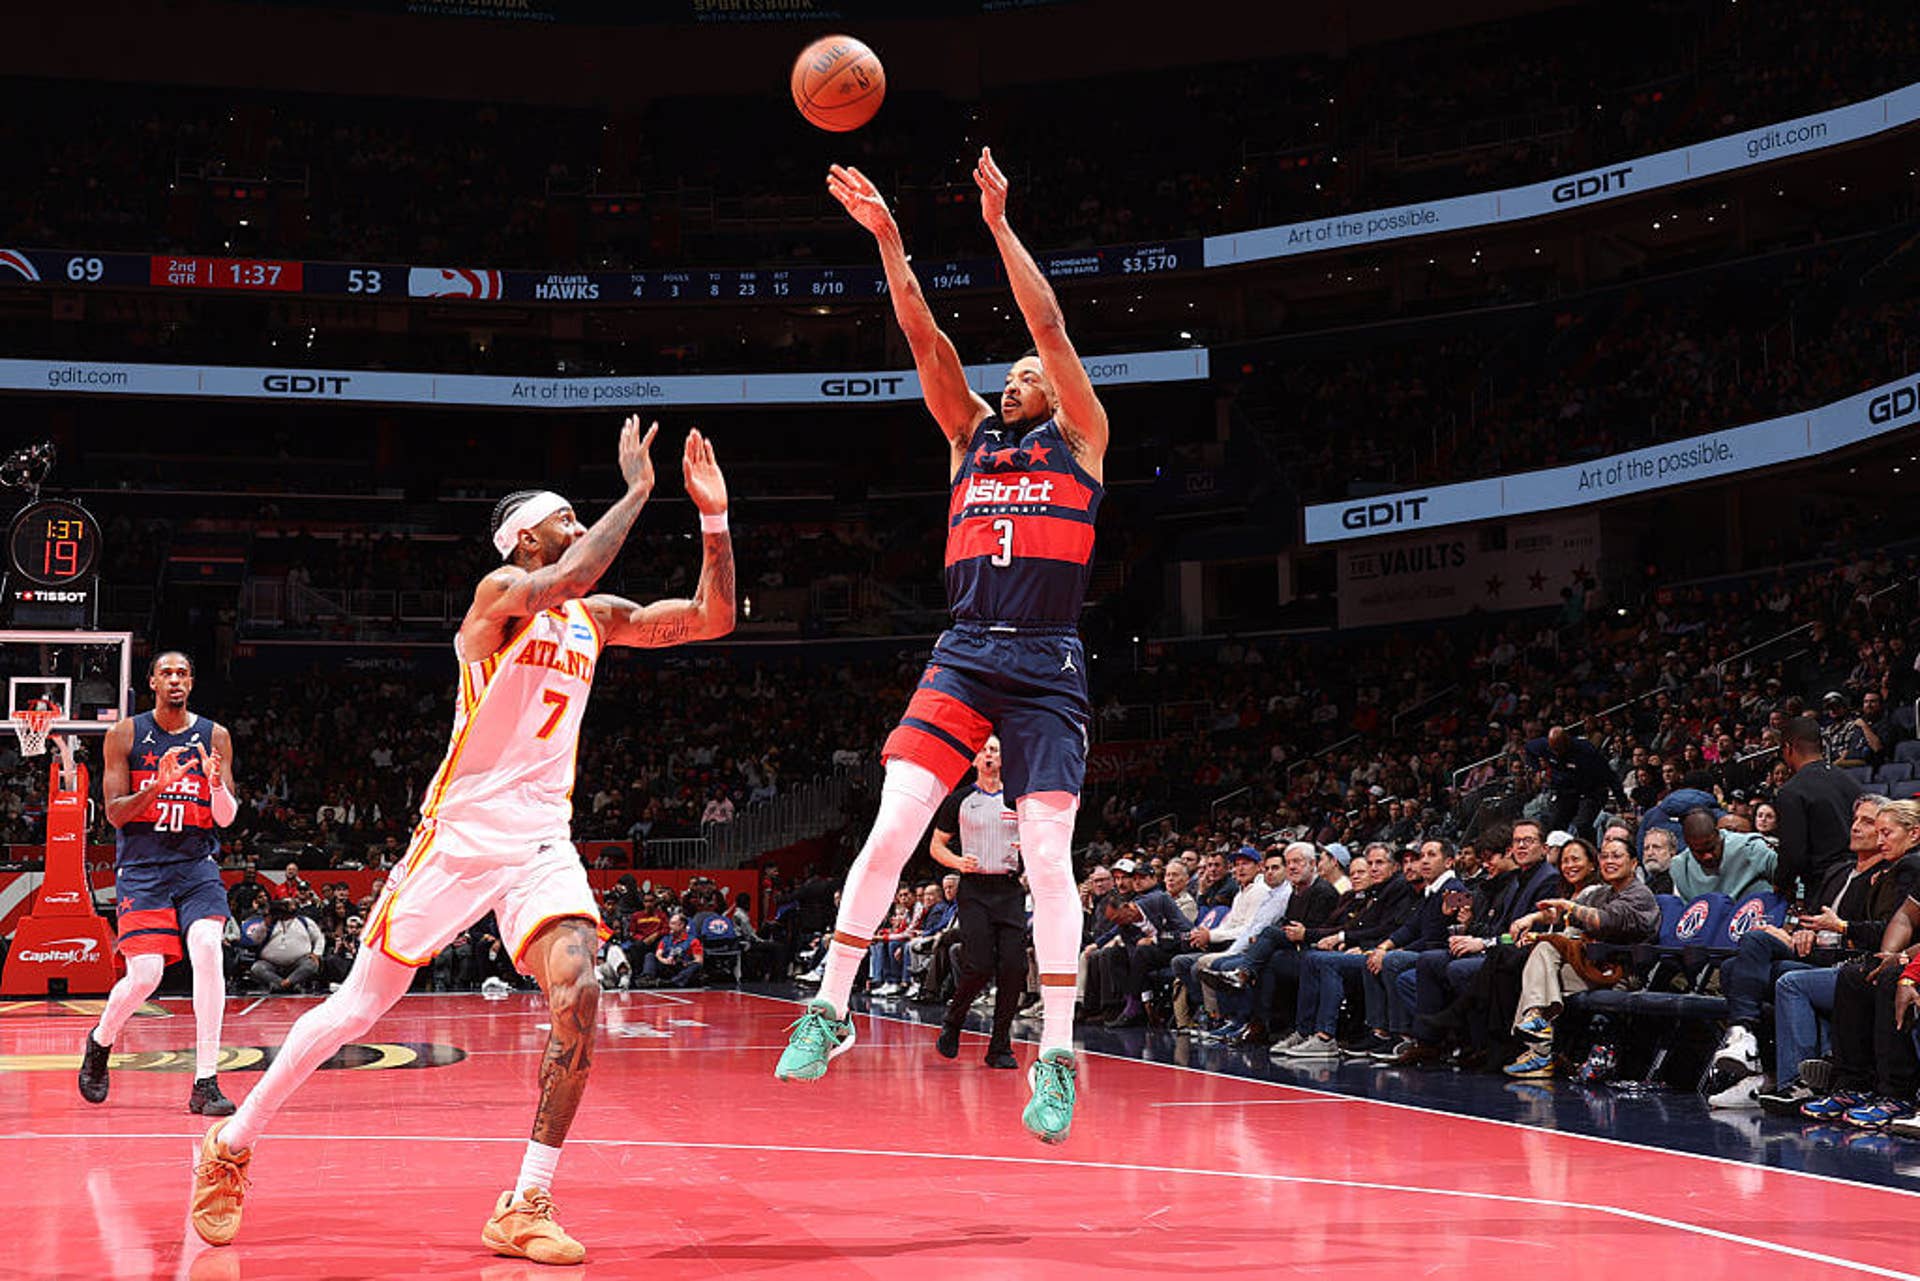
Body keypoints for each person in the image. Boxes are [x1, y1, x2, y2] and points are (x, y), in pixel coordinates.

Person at [189, 417, 735, 1263]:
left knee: (581, 995)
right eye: (565, 519)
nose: (578, 527)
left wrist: (713, 519)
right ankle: (231, 1145)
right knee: (357, 1009)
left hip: (541, 841)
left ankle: (526, 1199)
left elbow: (711, 618)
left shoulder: (595, 618)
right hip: (459, 834)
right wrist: (636, 491)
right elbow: (576, 568)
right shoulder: (498, 601)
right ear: (527, 536)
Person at [775, 149, 1110, 1146]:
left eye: (1027, 372)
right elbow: (923, 337)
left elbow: (1047, 324)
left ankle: (1054, 1054)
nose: (1015, 378)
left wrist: (1001, 226)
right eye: (1005, 374)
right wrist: (888, 239)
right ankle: (830, 1006)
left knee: (1049, 859)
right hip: (965, 651)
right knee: (891, 825)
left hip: (1047, 661)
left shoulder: (1084, 437)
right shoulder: (968, 440)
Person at [79, 650, 242, 1118]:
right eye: (166, 672)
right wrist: (157, 785)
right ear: (151, 681)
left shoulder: (215, 736)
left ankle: (205, 1082)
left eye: (183, 673)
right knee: (146, 975)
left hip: (195, 865)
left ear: (191, 682)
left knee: (209, 947)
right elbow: (113, 813)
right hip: (143, 869)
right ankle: (100, 1039)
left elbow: (226, 819)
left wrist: (213, 785)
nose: (175, 680)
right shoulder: (125, 734)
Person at [1503, 838, 1660, 1077]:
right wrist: (1531, 919)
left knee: (1542, 968)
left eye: (1616, 856)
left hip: (1620, 973)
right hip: (1593, 968)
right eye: (1605, 856)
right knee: (1542, 958)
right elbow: (1562, 914)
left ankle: (1539, 1051)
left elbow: (1605, 920)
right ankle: (1536, 1024)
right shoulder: (1603, 892)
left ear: (1634, 863)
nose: (1609, 861)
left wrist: (1567, 906)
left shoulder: (1640, 895)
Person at [927, 739, 1031, 1067]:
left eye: (995, 750)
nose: (988, 755)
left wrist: (1027, 848)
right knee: (979, 965)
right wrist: (958, 863)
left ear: (1004, 758)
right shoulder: (959, 799)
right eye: (983, 750)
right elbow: (936, 846)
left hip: (1010, 889)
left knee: (1014, 968)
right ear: (973, 759)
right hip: (974, 890)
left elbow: (1041, 838)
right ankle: (953, 1022)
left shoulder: (1020, 798)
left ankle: (1000, 1046)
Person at [1772, 714, 1864, 904]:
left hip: (1824, 886)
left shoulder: (1791, 791)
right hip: (1860, 880)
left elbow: (1793, 854)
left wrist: (1781, 885)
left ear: (1788, 748)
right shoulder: (1851, 781)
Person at [1524, 726, 1627, 840]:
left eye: (1558, 749)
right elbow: (1528, 749)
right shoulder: (1543, 745)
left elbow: (1609, 776)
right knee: (1554, 825)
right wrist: (1537, 770)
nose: (1556, 753)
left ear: (1566, 742)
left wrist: (1622, 802)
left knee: (1582, 825)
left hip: (1590, 791)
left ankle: (1589, 852)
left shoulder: (1586, 750)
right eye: (1553, 750)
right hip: (1565, 791)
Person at [1670, 807, 1778, 899]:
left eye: (1711, 849)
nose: (1707, 856)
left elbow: (1790, 878)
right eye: (1699, 852)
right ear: (1688, 844)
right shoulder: (1680, 867)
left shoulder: (1750, 848)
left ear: (1718, 835)